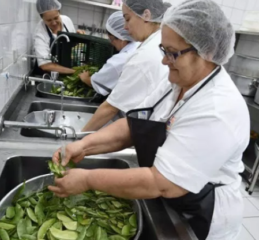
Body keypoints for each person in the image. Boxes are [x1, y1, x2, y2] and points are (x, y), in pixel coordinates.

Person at [48, 0, 250, 239]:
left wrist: (88, 179)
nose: (164, 61)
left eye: (172, 53)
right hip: (172, 199)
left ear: (204, 54)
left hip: (202, 217)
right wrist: (83, 144)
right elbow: (137, 124)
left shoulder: (218, 110)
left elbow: (162, 182)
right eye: (164, 50)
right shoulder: (177, 82)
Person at [81, 0, 170, 131]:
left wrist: (78, 138)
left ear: (146, 15)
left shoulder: (144, 57)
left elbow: (110, 108)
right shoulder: (159, 40)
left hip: (147, 130)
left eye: (127, 19)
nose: (125, 27)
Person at [79, 11, 140, 96]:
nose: (111, 43)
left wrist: (85, 78)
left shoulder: (119, 61)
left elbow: (98, 84)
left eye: (112, 40)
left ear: (122, 39)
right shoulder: (138, 46)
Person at [34, 0, 83, 75]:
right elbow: (45, 65)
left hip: (66, 71)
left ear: (59, 12)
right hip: (47, 76)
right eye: (49, 20)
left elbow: (71, 46)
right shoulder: (40, 33)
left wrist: (78, 38)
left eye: (56, 18)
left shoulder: (67, 20)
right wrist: (75, 72)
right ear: (42, 18)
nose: (54, 23)